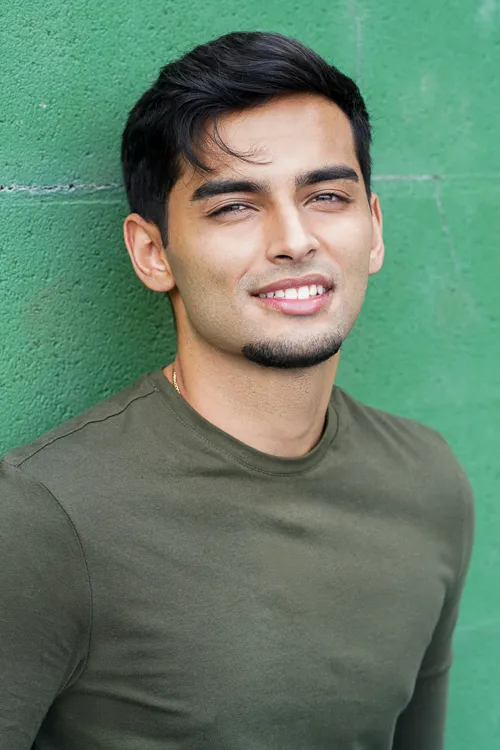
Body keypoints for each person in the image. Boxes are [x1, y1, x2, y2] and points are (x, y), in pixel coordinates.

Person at [0, 31, 474, 750]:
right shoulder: (44, 518)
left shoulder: (428, 481)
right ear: (153, 252)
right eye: (233, 207)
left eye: (327, 196)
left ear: (373, 229)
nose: (294, 239)